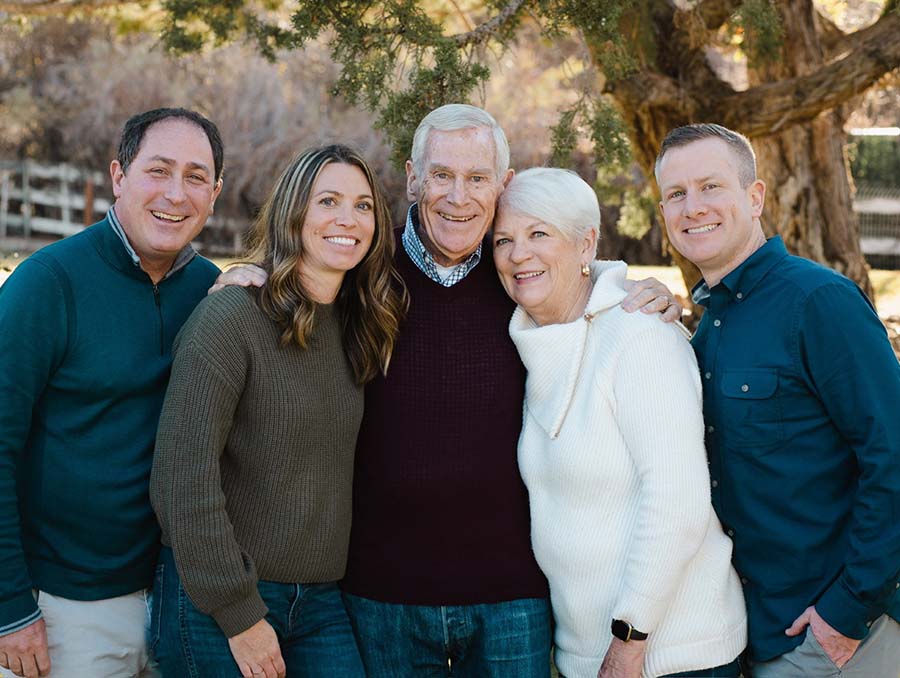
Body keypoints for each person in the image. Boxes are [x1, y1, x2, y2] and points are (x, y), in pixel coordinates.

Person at [215, 104, 681, 677]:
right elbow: (301, 272)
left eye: (478, 178)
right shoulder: (363, 271)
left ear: (502, 185)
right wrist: (245, 276)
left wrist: (646, 291)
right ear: (413, 178)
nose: (458, 197)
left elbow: (580, 275)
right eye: (442, 175)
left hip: (510, 598)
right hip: (380, 595)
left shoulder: (521, 274)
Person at [149, 144, 406, 678]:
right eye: (328, 201)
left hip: (318, 602)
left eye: (363, 206)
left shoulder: (359, 326)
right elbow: (181, 478)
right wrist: (239, 614)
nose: (347, 219)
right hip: (217, 598)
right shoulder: (231, 317)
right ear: (294, 213)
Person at [655, 123, 900, 677]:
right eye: (676, 194)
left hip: (839, 638)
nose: (693, 207)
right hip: (754, 633)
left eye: (711, 186)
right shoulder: (707, 325)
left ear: (755, 196)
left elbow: (894, 455)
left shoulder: (819, 302)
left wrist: (848, 611)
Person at [492, 167, 747, 678]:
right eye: (504, 240)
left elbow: (678, 501)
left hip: (671, 655)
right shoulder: (534, 341)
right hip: (589, 654)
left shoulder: (638, 334)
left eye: (539, 233)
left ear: (586, 245)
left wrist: (630, 639)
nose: (519, 254)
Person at [0, 108, 223, 678]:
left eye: (196, 176)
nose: (176, 193)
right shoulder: (47, 284)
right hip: (62, 610)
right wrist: (9, 608)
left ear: (216, 193)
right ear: (118, 176)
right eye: (159, 170)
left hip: (176, 602)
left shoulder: (210, 293)